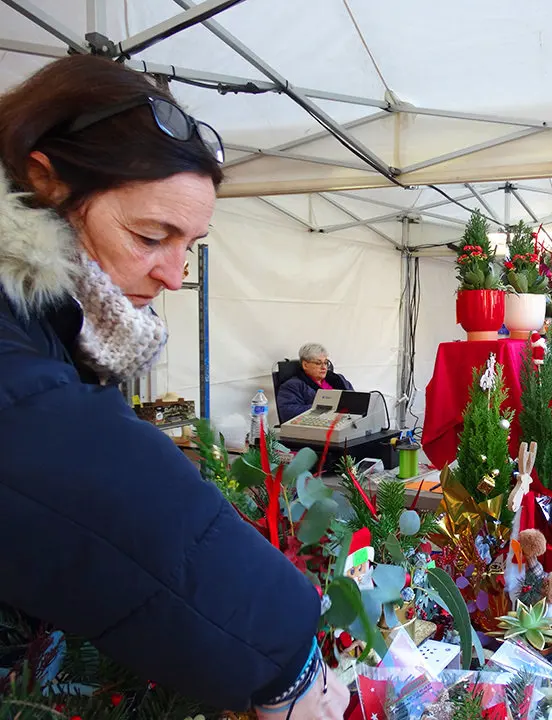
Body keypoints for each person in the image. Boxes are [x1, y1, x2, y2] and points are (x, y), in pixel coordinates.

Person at [0, 56, 348, 717]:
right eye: (152, 236)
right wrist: (286, 660)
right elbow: (75, 473)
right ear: (46, 181)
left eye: (189, 244)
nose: (173, 273)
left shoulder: (47, 320)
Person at [277, 343, 354, 423]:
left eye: (325, 362)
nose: (324, 367)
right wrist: (325, 407)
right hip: (315, 427)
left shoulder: (338, 379)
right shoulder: (293, 386)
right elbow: (288, 413)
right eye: (318, 363)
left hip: (345, 423)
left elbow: (354, 400)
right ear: (305, 365)